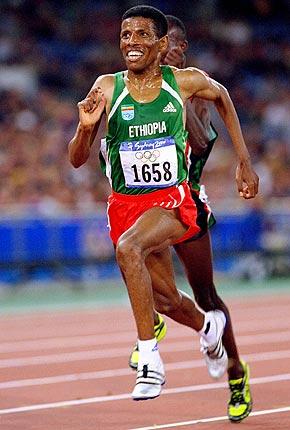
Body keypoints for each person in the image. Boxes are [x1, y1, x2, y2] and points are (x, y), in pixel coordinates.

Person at [68, 5, 258, 404]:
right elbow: (76, 158)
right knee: (167, 299)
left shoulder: (185, 85)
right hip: (126, 206)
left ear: (163, 44)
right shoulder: (106, 86)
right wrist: (86, 131)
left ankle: (158, 360)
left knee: (136, 252)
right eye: (125, 35)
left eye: (141, 35)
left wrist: (243, 160)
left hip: (176, 200)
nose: (131, 42)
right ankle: (208, 328)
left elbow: (220, 97)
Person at [127, 15, 255, 422]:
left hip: (187, 205)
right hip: (147, 206)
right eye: (170, 47)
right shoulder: (136, 90)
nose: (174, 54)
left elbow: (200, 135)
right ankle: (153, 325)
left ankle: (236, 370)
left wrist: (243, 160)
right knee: (141, 263)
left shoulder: (192, 94)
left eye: (180, 47)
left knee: (206, 294)